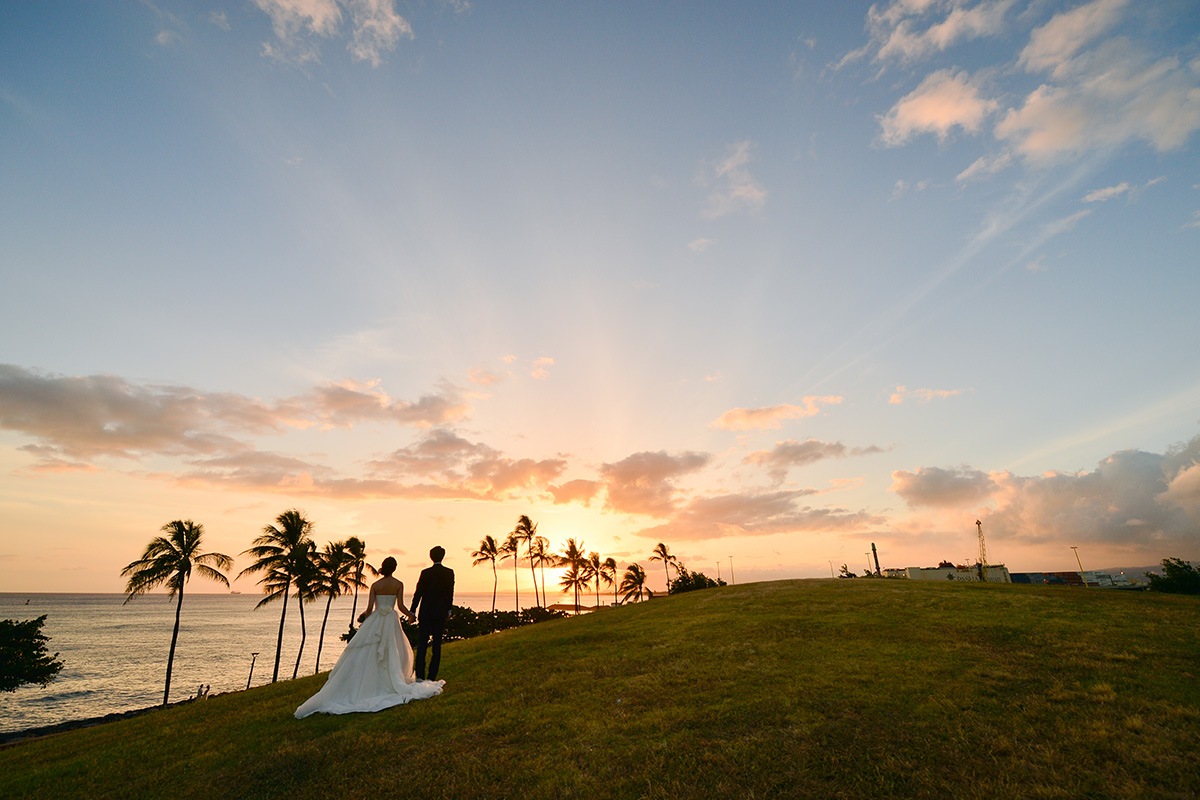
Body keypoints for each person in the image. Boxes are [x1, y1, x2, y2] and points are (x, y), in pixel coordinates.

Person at [295, 556, 443, 718]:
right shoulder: (398, 584)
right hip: (390, 620)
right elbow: (400, 606)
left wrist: (363, 617)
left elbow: (370, 609)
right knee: (392, 650)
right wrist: (410, 615)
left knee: (372, 651)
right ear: (394, 568)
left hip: (377, 620)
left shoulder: (376, 585)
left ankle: (371, 682)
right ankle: (388, 681)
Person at [410, 546, 454, 681]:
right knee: (437, 645)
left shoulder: (425, 573)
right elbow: (449, 593)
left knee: (422, 644)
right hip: (440, 611)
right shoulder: (449, 573)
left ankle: (420, 676)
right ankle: (432, 676)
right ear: (443, 556)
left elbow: (418, 592)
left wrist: (412, 610)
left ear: (431, 556)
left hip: (426, 611)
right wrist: (448, 610)